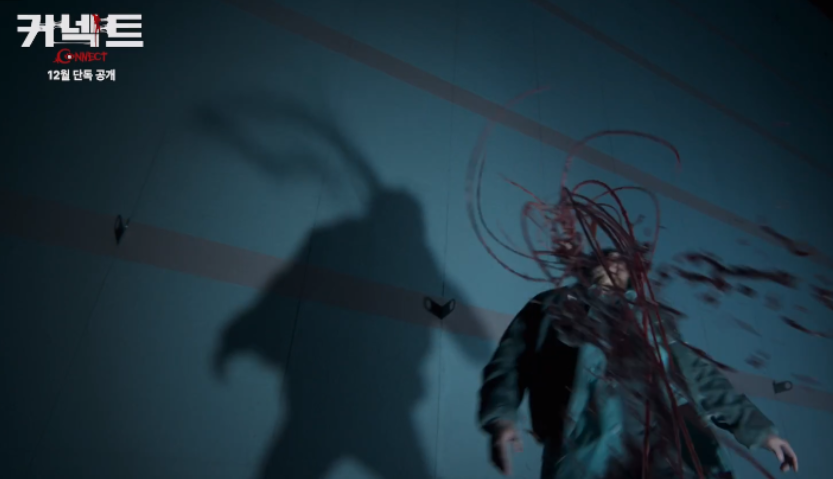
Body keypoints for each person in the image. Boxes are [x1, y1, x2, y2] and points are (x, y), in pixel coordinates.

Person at [478, 250, 799, 478]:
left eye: (622, 261)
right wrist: (501, 417)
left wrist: (762, 432)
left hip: (666, 445)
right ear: (588, 266)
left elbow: (701, 376)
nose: (614, 263)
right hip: (586, 444)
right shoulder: (551, 305)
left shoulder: (653, 320)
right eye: (606, 257)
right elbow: (509, 362)